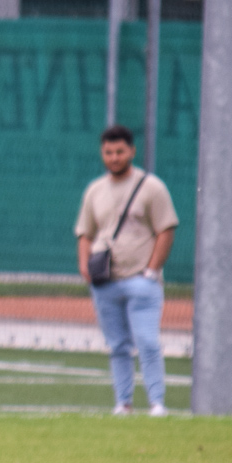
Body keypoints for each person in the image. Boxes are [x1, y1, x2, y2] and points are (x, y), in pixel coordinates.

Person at [75, 124, 179, 416]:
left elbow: (166, 229)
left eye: (120, 151)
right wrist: (85, 265)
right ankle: (123, 403)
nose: (114, 158)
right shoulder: (95, 190)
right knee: (117, 346)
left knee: (147, 342)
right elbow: (85, 232)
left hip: (140, 281)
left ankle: (157, 402)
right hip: (106, 281)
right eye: (108, 152)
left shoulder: (151, 187)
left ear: (132, 151)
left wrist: (152, 271)